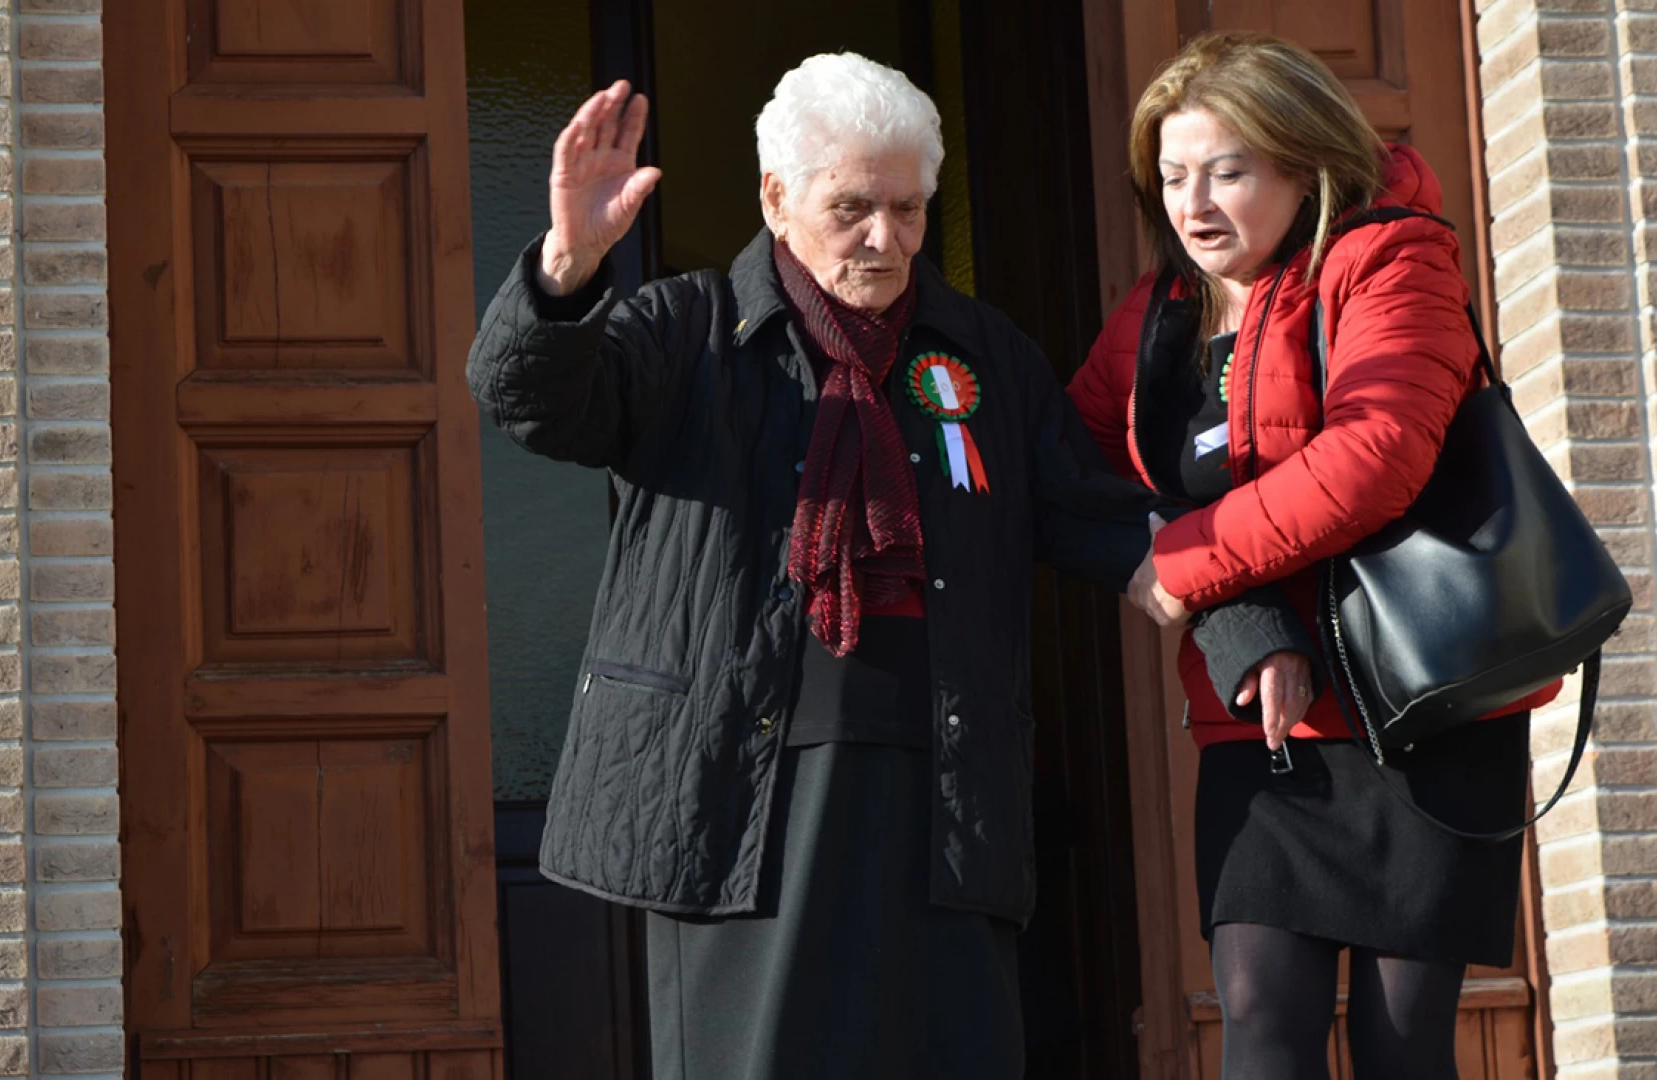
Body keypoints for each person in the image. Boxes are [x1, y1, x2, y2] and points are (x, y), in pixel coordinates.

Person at [468, 52, 1202, 1080]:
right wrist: (568, 263)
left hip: (943, 790)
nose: (888, 239)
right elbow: (532, 404)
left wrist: (1247, 621)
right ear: (776, 195)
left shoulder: (985, 354)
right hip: (736, 798)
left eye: (909, 209)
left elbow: (1098, 518)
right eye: (855, 207)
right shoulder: (691, 331)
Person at [1068, 32, 1561, 1080]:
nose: (1193, 204)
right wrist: (1244, 627)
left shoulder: (1391, 256)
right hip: (1265, 727)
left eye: (1228, 171)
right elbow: (1082, 486)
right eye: (1171, 175)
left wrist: (1190, 566)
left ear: (1304, 161)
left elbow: (1375, 454)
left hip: (1426, 706)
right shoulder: (1152, 322)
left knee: (1400, 1045)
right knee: (1260, 1025)